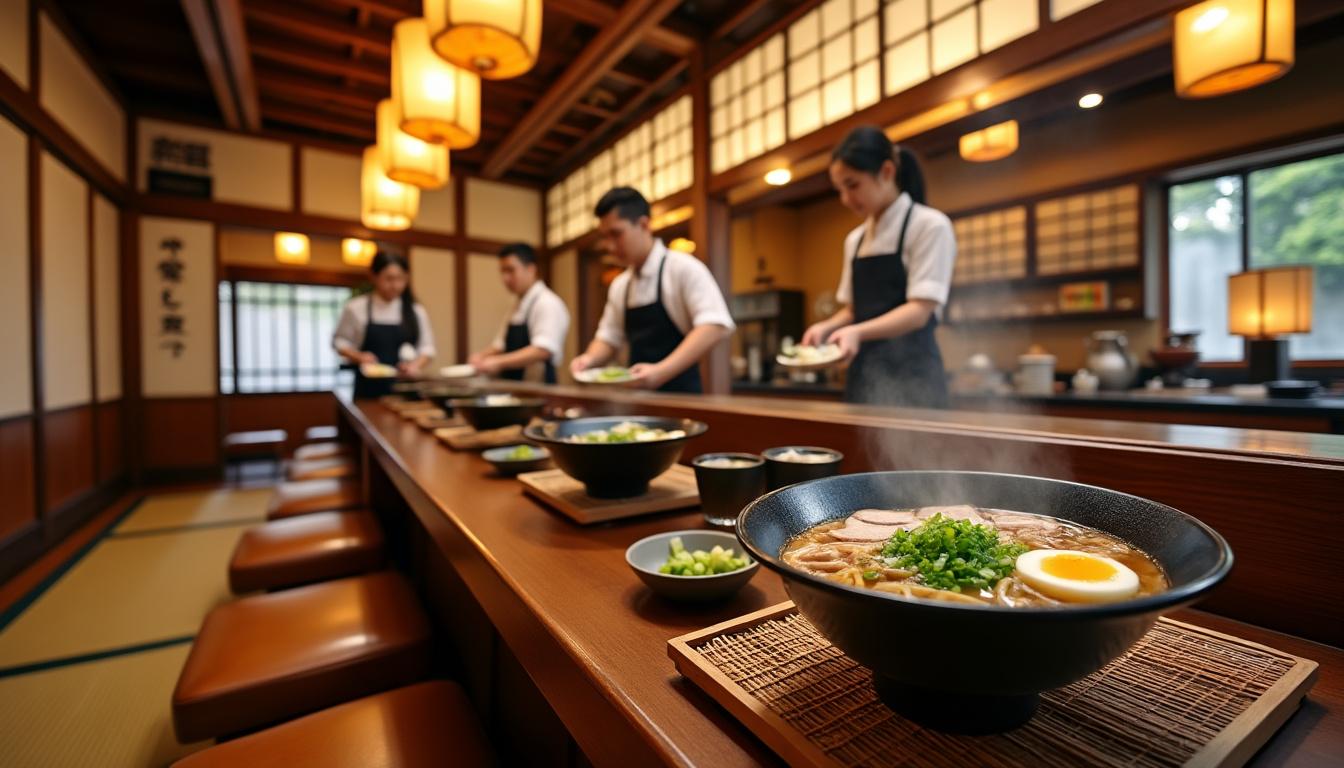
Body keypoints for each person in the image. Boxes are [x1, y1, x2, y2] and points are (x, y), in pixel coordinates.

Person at [801, 125, 956, 408]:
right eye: (840, 189)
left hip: (915, 377)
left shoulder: (929, 226)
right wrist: (826, 327)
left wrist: (858, 332)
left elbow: (920, 311)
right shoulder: (855, 239)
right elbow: (853, 310)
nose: (846, 199)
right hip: (864, 377)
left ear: (886, 172)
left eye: (853, 185)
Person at [570, 187, 735, 393]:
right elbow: (609, 337)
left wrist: (661, 371)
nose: (609, 246)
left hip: (682, 396)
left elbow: (713, 325)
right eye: (605, 237)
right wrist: (588, 359)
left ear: (644, 224)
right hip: (637, 397)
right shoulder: (621, 285)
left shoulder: (682, 267)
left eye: (616, 234)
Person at [333, 251, 435, 398]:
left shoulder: (415, 310)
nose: (395, 285)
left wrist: (414, 366)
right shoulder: (356, 307)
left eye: (400, 279)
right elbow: (340, 341)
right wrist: (359, 356)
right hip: (368, 389)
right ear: (374, 277)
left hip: (405, 388)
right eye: (389, 278)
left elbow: (427, 347)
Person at [467, 243, 570, 383]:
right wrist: (481, 356)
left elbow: (543, 349)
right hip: (515, 387)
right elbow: (501, 344)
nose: (505, 278)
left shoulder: (547, 302)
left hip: (539, 389)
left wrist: (497, 362)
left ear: (531, 269)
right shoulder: (516, 304)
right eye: (502, 272)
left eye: (510, 270)